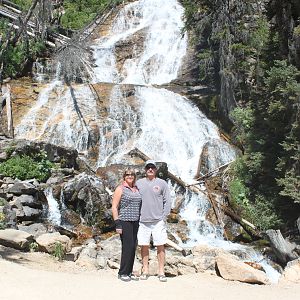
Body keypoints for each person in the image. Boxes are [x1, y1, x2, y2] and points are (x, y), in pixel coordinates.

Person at [136, 160, 171, 282]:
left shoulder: (162, 183)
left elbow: (167, 200)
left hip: (158, 221)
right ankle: (145, 270)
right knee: (143, 246)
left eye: (152, 167)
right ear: (145, 169)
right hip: (143, 220)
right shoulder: (139, 183)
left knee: (160, 245)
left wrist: (164, 216)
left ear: (156, 170)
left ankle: (161, 272)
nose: (150, 169)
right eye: (148, 167)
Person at [111, 168, 142, 282]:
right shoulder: (120, 189)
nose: (130, 176)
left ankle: (129, 271)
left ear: (134, 176)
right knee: (127, 247)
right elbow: (114, 206)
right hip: (125, 221)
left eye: (132, 175)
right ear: (124, 176)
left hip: (135, 221)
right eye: (127, 174)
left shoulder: (136, 189)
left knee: (133, 247)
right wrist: (117, 223)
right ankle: (122, 272)